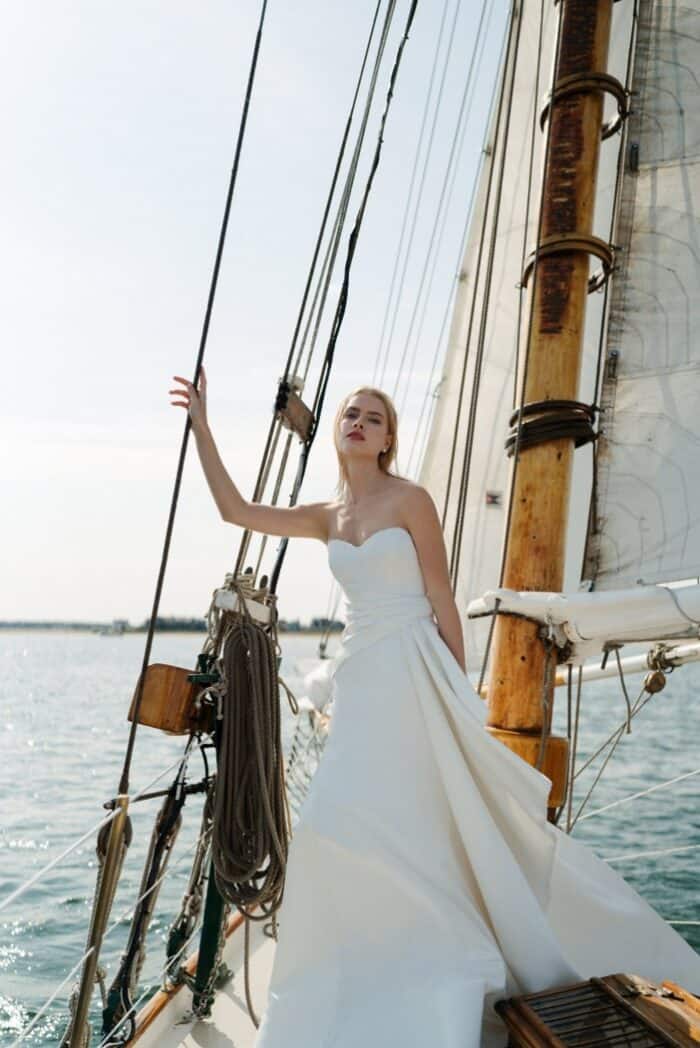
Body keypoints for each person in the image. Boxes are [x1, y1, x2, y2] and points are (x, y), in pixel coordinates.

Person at [170, 370, 700, 1047]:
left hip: (416, 669)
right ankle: (350, 970)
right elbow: (235, 511)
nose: (358, 421)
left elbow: (442, 597)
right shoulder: (325, 515)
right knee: (334, 823)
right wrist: (204, 427)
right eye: (350, 414)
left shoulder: (411, 500)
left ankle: (434, 957)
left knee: (424, 818)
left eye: (374, 417)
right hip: (362, 679)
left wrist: (458, 684)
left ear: (389, 439)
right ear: (340, 432)